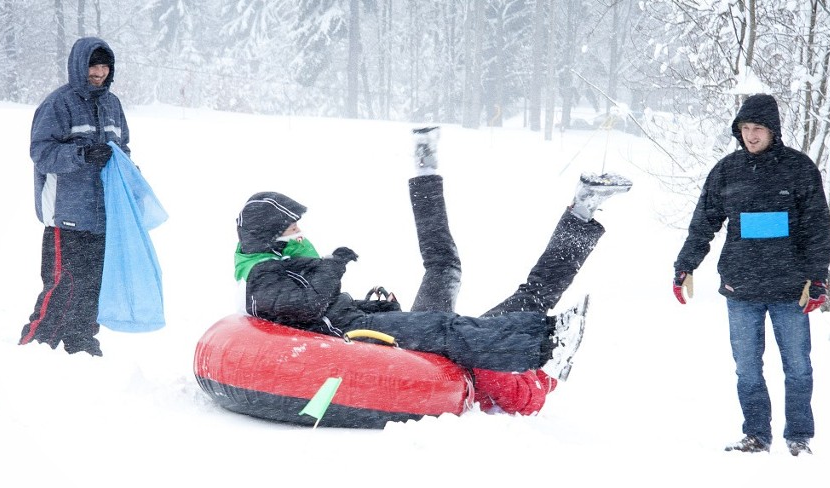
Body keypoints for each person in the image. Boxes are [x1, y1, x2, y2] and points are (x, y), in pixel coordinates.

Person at [234, 126, 631, 413]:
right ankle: (583, 212)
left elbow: (317, 309)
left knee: (445, 267)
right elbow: (309, 305)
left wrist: (378, 309)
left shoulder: (276, 268)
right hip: (440, 347)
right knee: (531, 297)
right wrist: (332, 266)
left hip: (412, 333)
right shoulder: (264, 278)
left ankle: (426, 166)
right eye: (291, 227)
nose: (300, 232)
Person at [672, 93, 830, 456]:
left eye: (758, 128)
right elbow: (703, 224)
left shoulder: (799, 169)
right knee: (747, 370)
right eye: (745, 129)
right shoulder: (726, 171)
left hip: (791, 289)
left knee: (798, 368)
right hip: (741, 288)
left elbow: (817, 228)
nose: (751, 135)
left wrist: (817, 278)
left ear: (773, 130)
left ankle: (799, 437)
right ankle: (756, 435)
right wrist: (685, 265)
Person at [19, 37, 131, 357]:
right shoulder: (58, 104)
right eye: (93, 65)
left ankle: (80, 341)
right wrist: (82, 154)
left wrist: (130, 179)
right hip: (66, 213)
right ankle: (36, 345)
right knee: (63, 283)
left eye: (104, 65)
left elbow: (122, 150)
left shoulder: (113, 105)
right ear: (79, 66)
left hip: (102, 215)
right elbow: (41, 153)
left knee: (93, 285)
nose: (98, 72)